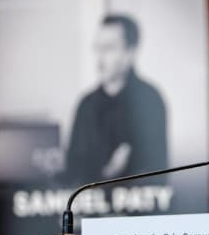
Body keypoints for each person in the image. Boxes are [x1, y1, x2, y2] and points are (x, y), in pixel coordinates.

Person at [64, 14, 168, 185]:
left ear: (131, 52)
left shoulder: (150, 100)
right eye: (97, 48)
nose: (99, 58)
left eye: (109, 48)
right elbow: (73, 173)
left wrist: (116, 176)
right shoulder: (86, 104)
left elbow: (156, 177)